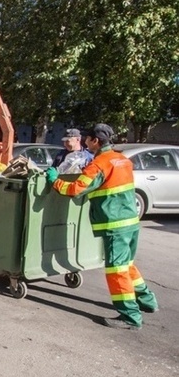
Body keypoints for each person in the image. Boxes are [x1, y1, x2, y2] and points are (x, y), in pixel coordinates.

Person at [45, 123, 158, 329]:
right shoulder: (122, 160)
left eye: (87, 138)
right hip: (130, 221)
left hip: (114, 223)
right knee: (127, 264)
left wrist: (55, 181)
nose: (85, 142)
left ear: (95, 141)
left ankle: (130, 317)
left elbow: (76, 189)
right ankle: (147, 301)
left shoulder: (99, 164)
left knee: (116, 270)